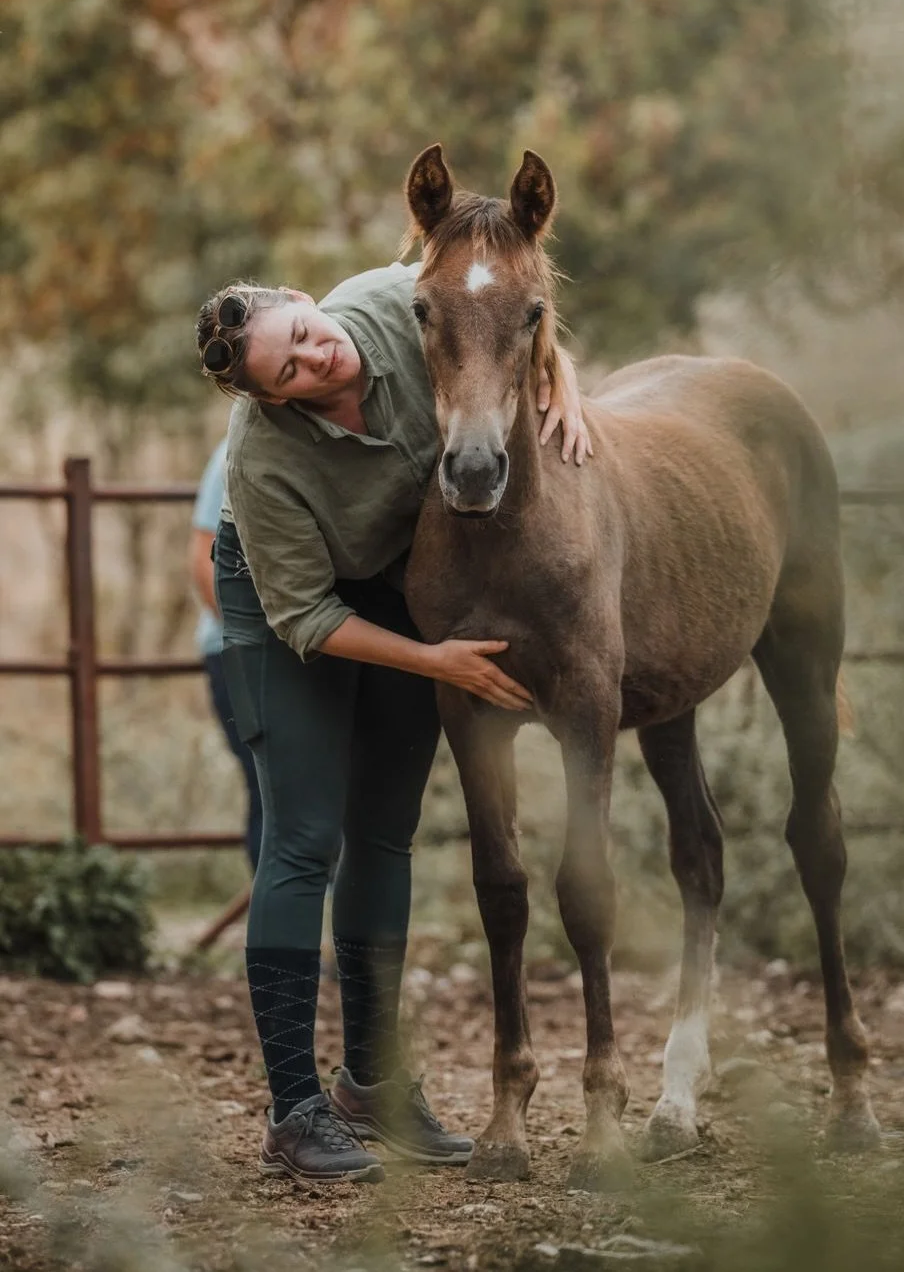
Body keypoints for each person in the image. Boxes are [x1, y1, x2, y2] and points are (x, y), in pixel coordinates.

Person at [196, 261, 589, 1185]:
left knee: (386, 834)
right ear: (270, 400)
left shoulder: (386, 299)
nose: (314, 357)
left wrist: (560, 380)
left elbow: (512, 299)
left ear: (305, 300)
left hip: (403, 581)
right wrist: (433, 661)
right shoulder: (262, 458)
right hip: (286, 608)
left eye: (303, 332)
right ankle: (294, 1110)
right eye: (286, 372)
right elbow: (306, 616)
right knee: (302, 841)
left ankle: (373, 1085)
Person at [189, 439, 263, 873]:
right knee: (270, 786)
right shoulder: (235, 451)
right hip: (238, 649)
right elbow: (203, 559)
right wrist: (250, 636)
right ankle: (286, 928)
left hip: (310, 647)